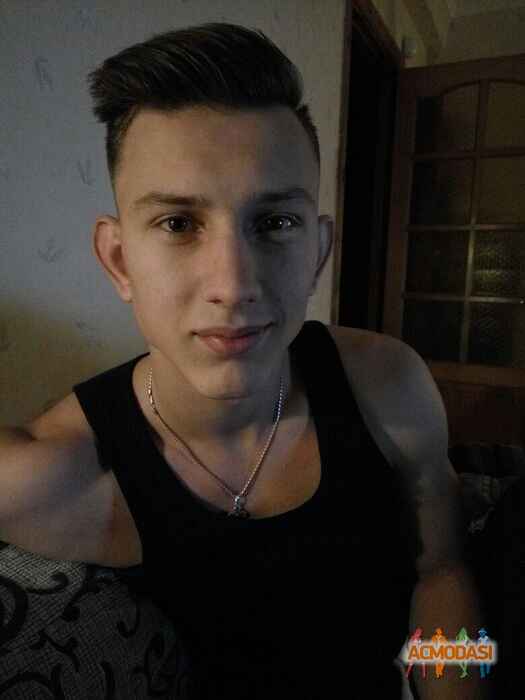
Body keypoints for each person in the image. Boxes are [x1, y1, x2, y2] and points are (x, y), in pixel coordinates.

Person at [0, 22, 491, 699]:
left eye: (275, 223)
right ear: (119, 260)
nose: (233, 285)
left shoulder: (388, 383)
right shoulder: (48, 472)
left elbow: (442, 571)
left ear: (318, 251)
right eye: (178, 224)